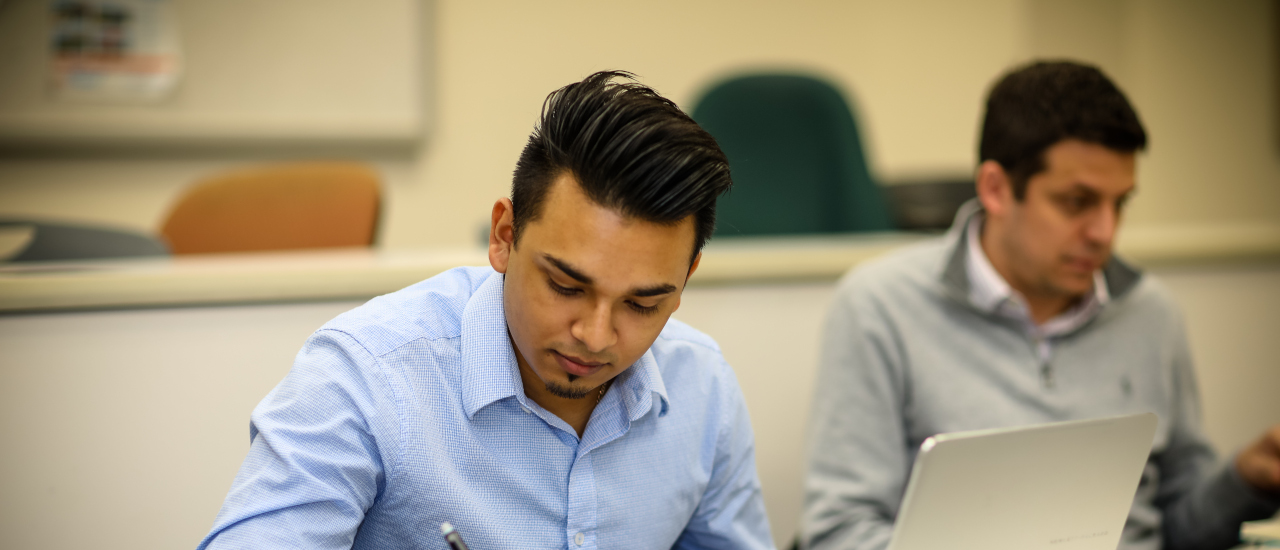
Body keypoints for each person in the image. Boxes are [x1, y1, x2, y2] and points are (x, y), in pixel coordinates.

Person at [198, 71, 774, 550]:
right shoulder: (367, 375)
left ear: (685, 282)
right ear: (504, 235)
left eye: (643, 304)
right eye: (566, 286)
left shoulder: (702, 388)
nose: (596, 336)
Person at [801, 60, 1280, 550]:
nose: (1105, 233)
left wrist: (1248, 479)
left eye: (1120, 203)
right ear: (996, 189)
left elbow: (1178, 528)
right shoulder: (881, 308)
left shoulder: (1151, 312)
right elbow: (840, 533)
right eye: (1077, 202)